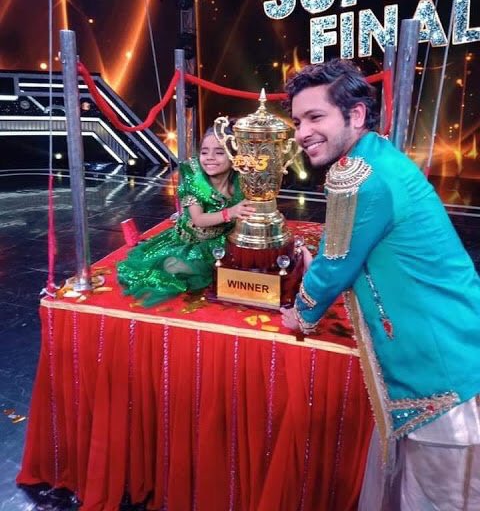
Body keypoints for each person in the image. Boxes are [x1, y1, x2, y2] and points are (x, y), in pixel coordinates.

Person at [280, 58, 480, 510]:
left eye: (315, 117)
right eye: (297, 122)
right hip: (453, 336)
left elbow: (336, 263)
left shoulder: (360, 176)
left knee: (440, 498)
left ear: (355, 115)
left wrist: (302, 314)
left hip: (437, 364)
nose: (302, 132)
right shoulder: (375, 156)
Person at [117, 128, 254, 307]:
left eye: (219, 152)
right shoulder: (195, 181)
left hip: (221, 239)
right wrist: (231, 212)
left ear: (234, 156)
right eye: (204, 152)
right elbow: (198, 219)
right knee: (176, 266)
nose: (210, 157)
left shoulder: (240, 180)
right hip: (190, 241)